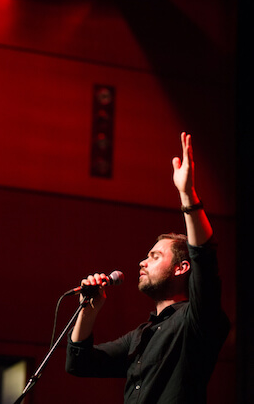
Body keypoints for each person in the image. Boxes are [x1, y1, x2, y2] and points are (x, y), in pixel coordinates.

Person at [65, 132, 230, 403]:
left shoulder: (198, 319)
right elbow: (79, 364)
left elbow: (204, 257)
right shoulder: (140, 336)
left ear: (181, 268)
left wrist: (187, 194)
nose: (142, 262)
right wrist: (89, 312)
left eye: (154, 256)